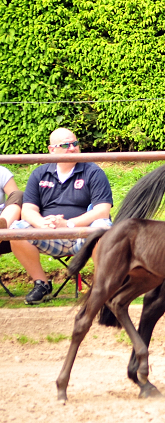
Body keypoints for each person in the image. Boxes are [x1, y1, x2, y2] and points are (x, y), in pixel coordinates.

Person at [10, 128, 113, 305]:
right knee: (16, 230)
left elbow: (102, 210)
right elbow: (28, 210)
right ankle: (41, 284)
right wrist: (42, 224)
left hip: (83, 235)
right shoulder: (39, 173)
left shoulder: (93, 171)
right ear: (52, 150)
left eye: (75, 144)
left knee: (103, 226)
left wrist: (69, 224)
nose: (72, 148)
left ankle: (100, 287)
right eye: (65, 145)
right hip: (49, 235)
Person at [0, 166, 23, 230]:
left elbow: (16, 197)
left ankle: (2, 232)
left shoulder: (2, 172)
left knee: (19, 195)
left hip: (3, 218)